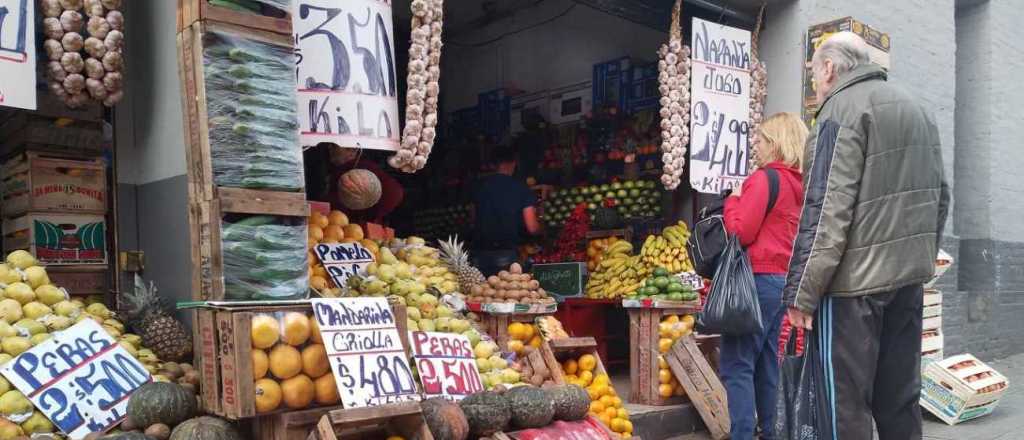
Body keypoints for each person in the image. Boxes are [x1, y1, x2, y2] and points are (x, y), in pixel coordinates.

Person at [783, 32, 950, 440]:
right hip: (907, 282)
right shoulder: (919, 110)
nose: (814, 87)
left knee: (845, 405)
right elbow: (940, 196)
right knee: (900, 398)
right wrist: (921, 260)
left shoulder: (839, 109)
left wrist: (801, 293)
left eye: (813, 77)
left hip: (852, 291)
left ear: (828, 68)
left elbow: (825, 210)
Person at [720, 113, 807, 440]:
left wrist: (733, 200)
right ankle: (771, 433)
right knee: (768, 363)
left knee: (737, 364)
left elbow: (741, 232)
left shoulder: (764, 179)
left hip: (755, 281)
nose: (755, 145)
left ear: (775, 143)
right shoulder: (801, 185)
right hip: (783, 283)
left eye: (760, 139)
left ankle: (742, 434)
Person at [471, 146, 542, 276]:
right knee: (507, 294)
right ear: (513, 163)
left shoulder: (479, 188)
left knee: (484, 294)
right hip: (508, 256)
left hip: (479, 257)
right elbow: (532, 227)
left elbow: (473, 220)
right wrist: (543, 229)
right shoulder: (521, 189)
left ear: (494, 164)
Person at [322, 144, 404, 224]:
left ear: (353, 150)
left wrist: (368, 214)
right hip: (332, 226)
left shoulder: (365, 167)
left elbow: (395, 192)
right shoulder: (334, 170)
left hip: (355, 230)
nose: (329, 147)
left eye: (334, 145)